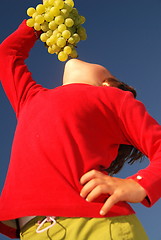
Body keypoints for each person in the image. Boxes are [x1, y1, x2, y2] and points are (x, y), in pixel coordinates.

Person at [0, 17, 161, 240]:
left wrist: (139, 185)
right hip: (33, 231)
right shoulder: (29, 98)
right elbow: (7, 55)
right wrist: (35, 26)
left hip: (98, 225)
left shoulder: (114, 97)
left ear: (108, 82)